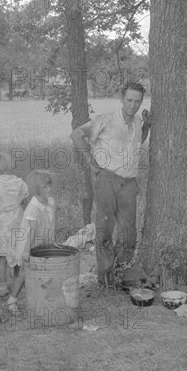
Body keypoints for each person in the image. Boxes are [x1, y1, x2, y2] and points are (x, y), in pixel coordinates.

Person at [70, 82, 151, 286]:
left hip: (129, 183)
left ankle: (120, 273)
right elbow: (76, 135)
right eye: (129, 100)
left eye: (137, 101)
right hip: (107, 179)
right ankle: (105, 279)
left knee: (129, 233)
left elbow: (137, 142)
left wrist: (147, 126)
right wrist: (90, 162)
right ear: (122, 99)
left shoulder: (139, 122)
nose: (133, 105)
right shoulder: (105, 120)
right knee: (105, 229)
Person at [6, 170, 56, 313]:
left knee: (43, 269)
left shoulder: (50, 201)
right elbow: (32, 231)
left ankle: (41, 298)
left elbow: (51, 223)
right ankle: (12, 300)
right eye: (45, 187)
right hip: (30, 243)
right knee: (24, 272)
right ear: (36, 190)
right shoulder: (33, 207)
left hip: (44, 242)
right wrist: (27, 251)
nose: (49, 189)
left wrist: (51, 242)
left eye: (49, 186)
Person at [0, 152, 29, 297]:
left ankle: (3, 285)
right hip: (16, 220)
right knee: (17, 252)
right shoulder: (19, 182)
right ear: (9, 165)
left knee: (1, 256)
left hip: (0, 222)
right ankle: (17, 281)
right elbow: (24, 201)